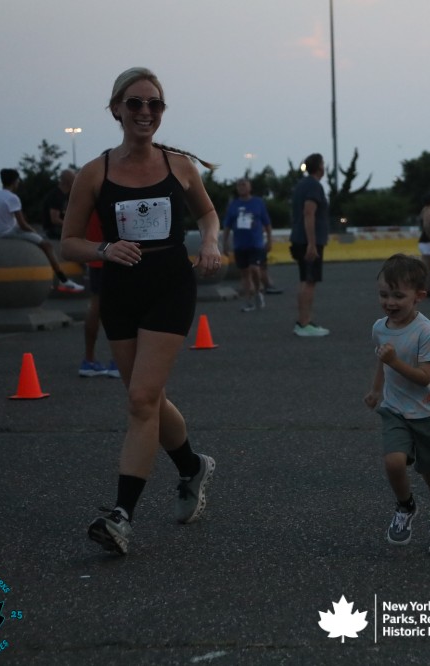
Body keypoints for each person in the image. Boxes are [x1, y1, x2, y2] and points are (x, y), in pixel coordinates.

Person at [61, 67, 220, 554]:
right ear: (116, 109)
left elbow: (207, 213)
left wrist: (210, 242)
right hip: (121, 291)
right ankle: (192, 466)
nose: (145, 111)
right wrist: (104, 249)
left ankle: (121, 517)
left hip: (170, 285)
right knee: (146, 399)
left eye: (155, 103)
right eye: (135, 103)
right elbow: (69, 242)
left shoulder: (179, 166)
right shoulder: (95, 172)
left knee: (141, 398)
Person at [364, 253, 430, 555]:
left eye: (398, 296)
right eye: (383, 294)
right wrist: (376, 390)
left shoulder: (426, 331)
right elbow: (382, 360)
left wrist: (394, 361)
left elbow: (424, 377)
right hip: (395, 409)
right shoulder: (380, 327)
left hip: (429, 412)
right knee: (393, 462)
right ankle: (405, 506)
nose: (389, 302)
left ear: (419, 296)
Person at [0, 168, 85, 292]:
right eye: (17, 181)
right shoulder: (13, 198)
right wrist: (34, 233)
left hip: (0, 231)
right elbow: (22, 224)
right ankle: (64, 280)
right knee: (47, 245)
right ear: (14, 182)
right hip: (10, 231)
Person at [289, 153, 330, 336]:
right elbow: (309, 213)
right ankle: (304, 324)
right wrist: (312, 244)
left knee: (305, 280)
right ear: (320, 167)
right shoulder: (314, 185)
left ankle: (303, 322)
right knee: (310, 281)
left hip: (299, 239)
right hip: (308, 241)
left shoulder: (301, 184)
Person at [78, 208, 120, 378]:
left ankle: (89, 359)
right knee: (121, 309)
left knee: (95, 306)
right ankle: (118, 361)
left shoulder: (88, 195)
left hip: (96, 254)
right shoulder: (110, 193)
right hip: (116, 253)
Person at [222, 177, 272, 312]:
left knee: (254, 268)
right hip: (240, 245)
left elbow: (267, 224)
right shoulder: (234, 205)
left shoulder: (258, 203)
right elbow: (227, 226)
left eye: (244, 185)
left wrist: (269, 240)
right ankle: (248, 300)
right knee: (244, 273)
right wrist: (225, 243)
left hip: (256, 243)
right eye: (239, 185)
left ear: (250, 187)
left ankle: (258, 291)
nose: (241, 187)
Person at [42, 169, 75, 240]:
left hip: (61, 229)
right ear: (69, 182)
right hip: (53, 230)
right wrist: (72, 226)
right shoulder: (55, 196)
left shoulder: (67, 195)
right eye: (74, 179)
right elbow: (55, 219)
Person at [417, 192, 430, 296]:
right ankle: (427, 289)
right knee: (428, 268)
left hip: (424, 241)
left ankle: (427, 287)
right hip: (427, 242)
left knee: (427, 267)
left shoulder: (424, 210)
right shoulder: (429, 212)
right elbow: (427, 226)